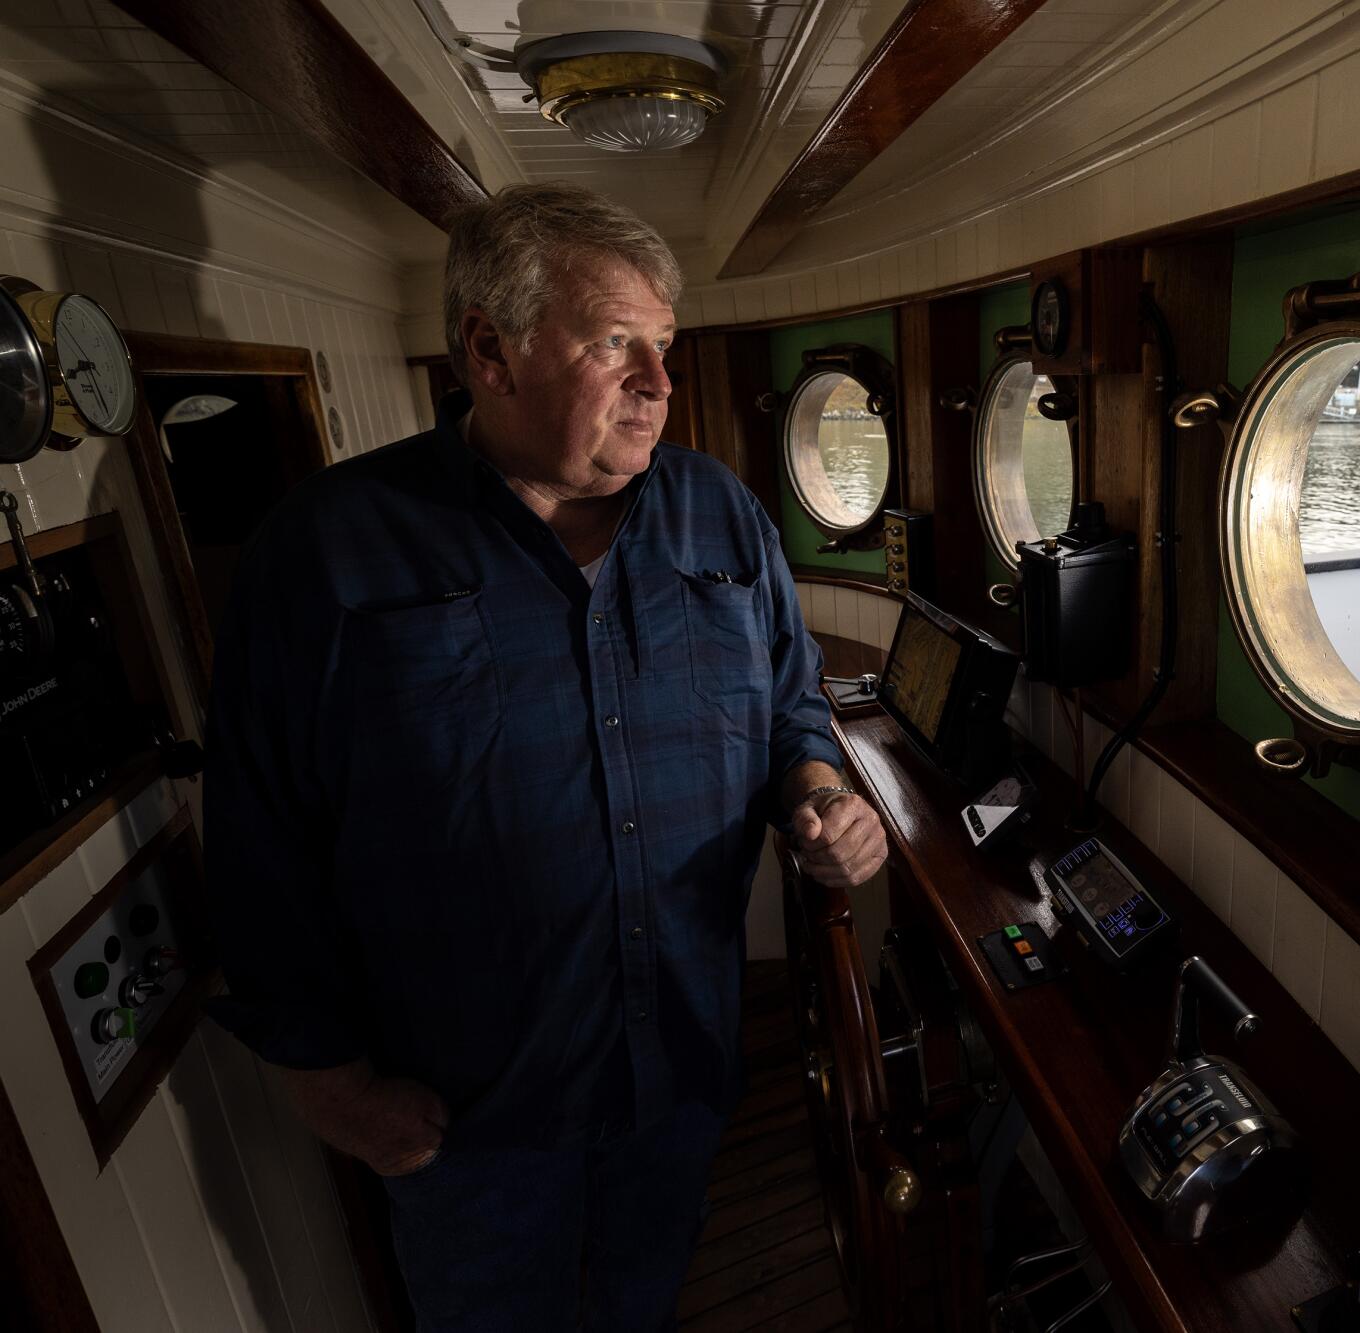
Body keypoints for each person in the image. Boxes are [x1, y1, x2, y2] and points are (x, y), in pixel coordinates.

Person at [203, 181, 887, 1331]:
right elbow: (259, 838)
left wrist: (817, 787)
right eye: (615, 342)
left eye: (663, 346)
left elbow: (787, 705)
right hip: (465, 1116)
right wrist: (330, 1088)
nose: (660, 384)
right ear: (489, 349)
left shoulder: (721, 516)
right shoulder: (325, 554)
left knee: (642, 1300)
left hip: (677, 1069)